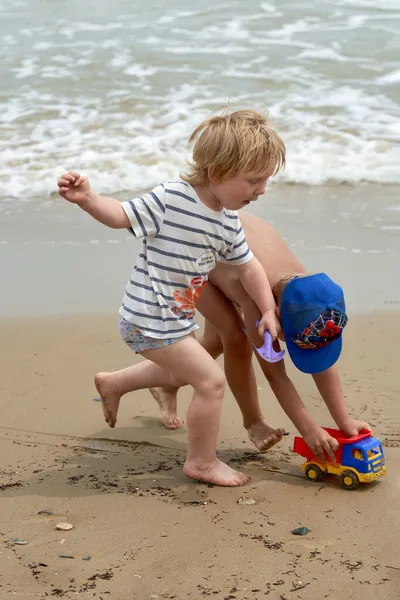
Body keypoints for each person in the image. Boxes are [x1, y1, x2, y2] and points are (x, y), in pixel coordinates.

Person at [57, 109, 286, 487]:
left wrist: (266, 310)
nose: (261, 190)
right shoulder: (172, 199)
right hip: (147, 318)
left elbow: (250, 268)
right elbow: (120, 215)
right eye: (253, 180)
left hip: (173, 321)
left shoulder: (226, 221)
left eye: (265, 181)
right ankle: (202, 461)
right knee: (211, 383)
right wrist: (88, 198)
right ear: (217, 172)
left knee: (185, 369)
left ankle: (113, 383)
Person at [148, 213, 371, 462]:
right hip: (189, 253)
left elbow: (324, 367)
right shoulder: (259, 302)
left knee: (212, 344)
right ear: (275, 316)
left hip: (225, 248)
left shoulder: (311, 294)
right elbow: (275, 375)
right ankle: (252, 421)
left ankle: (163, 384)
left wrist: (345, 421)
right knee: (235, 339)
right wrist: (309, 430)